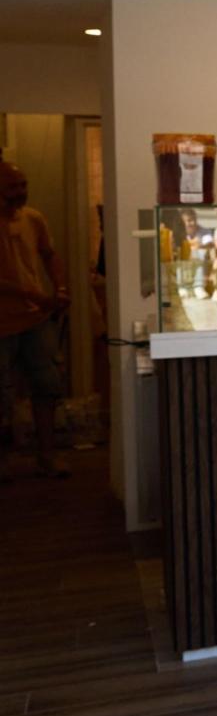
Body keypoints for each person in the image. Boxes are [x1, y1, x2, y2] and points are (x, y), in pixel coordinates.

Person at [0, 160, 69, 478]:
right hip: (3, 323)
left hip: (36, 320)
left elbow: (49, 255)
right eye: (12, 187)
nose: (20, 193)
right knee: (3, 393)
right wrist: (33, 295)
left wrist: (60, 287)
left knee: (48, 385)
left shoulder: (34, 218)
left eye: (22, 185)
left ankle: (46, 455)